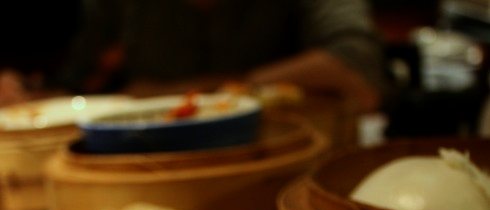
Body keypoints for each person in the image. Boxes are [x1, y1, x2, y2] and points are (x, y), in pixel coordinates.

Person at [0, 0, 386, 112]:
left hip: (283, 173)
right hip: (149, 168)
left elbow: (358, 69)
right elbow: (75, 86)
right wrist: (26, 93)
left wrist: (189, 91)